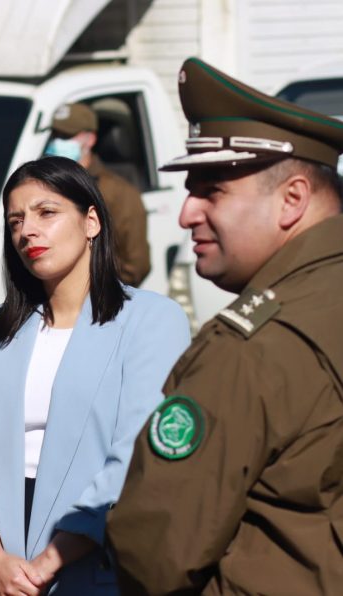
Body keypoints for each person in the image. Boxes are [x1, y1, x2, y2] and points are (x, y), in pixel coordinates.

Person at [106, 58, 343, 595]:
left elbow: (156, 550)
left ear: (293, 200)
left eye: (212, 190)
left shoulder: (252, 348)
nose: (187, 213)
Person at [0, 156, 189, 595]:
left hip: (95, 560)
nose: (27, 231)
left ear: (91, 221)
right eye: (15, 220)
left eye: (46, 212)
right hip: (0, 564)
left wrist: (48, 562)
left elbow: (135, 455)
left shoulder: (152, 320)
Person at [45, 102, 151, 286]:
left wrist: (89, 287)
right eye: (55, 135)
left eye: (67, 136)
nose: (58, 142)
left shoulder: (118, 192)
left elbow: (135, 266)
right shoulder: (41, 185)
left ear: (90, 139)